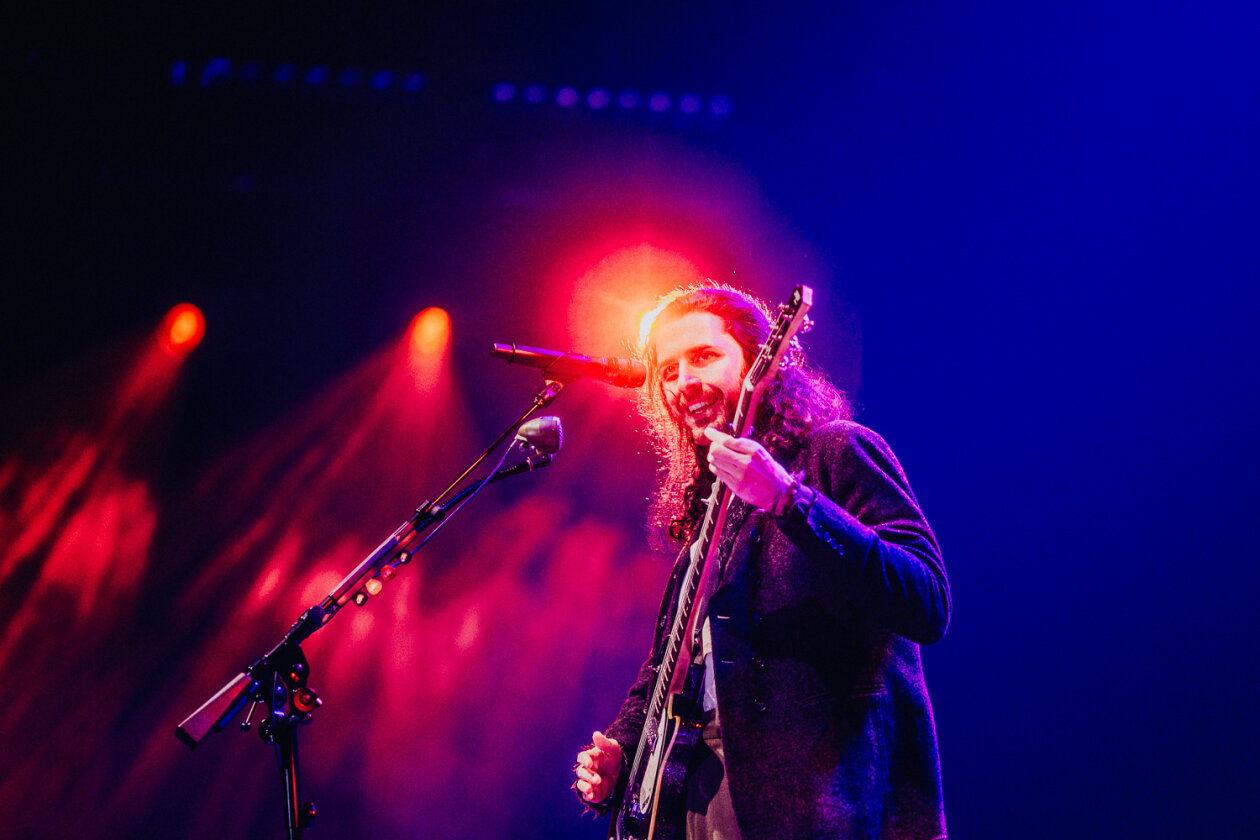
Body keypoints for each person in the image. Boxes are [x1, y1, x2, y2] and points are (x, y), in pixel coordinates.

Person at [572, 285, 951, 839]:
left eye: (703, 356)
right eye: (669, 370)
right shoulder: (706, 519)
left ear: (757, 360)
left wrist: (791, 501)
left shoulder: (835, 453)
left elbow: (928, 600)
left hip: (829, 804)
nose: (684, 382)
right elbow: (668, 669)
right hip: (706, 806)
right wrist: (623, 752)